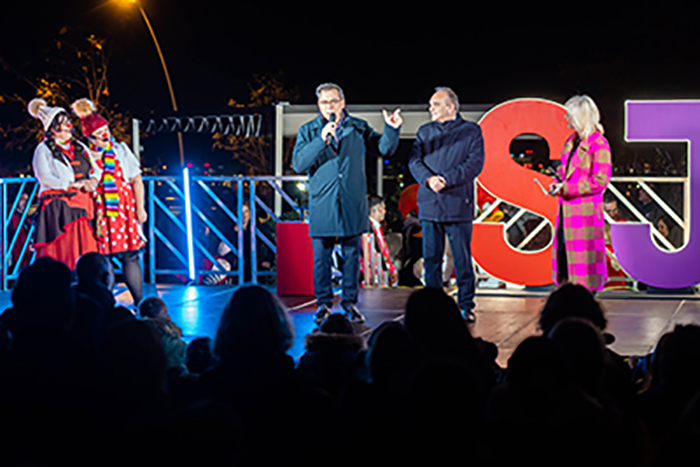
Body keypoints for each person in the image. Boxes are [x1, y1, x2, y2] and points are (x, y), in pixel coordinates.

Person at [292, 83, 402, 324]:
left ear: (343, 102)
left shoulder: (358, 127)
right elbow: (299, 163)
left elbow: (383, 149)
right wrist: (321, 140)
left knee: (352, 257)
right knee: (322, 258)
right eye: (324, 102)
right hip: (323, 203)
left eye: (333, 101)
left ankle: (350, 304)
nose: (329, 106)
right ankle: (323, 305)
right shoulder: (308, 130)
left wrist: (392, 129)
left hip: (352, 202)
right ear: (318, 105)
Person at [408, 87, 484, 322]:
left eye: (436, 104)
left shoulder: (471, 131)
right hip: (430, 202)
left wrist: (447, 179)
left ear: (451, 107)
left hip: (458, 203)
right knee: (431, 258)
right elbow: (414, 161)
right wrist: (430, 179)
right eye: (430, 104)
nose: (430, 108)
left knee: (461, 258)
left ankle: (466, 305)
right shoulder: (424, 131)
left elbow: (475, 164)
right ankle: (433, 305)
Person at [71, 98, 147, 305]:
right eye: (100, 134)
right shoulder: (84, 154)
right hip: (97, 211)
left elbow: (136, 180)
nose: (105, 136)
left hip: (123, 210)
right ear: (90, 137)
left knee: (130, 256)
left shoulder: (120, 150)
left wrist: (141, 208)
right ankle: (105, 305)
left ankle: (139, 302)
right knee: (102, 260)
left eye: (106, 130)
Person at [28, 98, 101, 269]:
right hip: (59, 204)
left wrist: (93, 180)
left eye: (68, 121)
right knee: (63, 249)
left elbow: (95, 169)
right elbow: (43, 176)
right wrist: (70, 184)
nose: (69, 125)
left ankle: (87, 280)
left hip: (84, 202)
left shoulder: (80, 147)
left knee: (87, 248)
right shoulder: (43, 149)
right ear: (53, 128)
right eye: (63, 123)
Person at [549, 95, 612, 292]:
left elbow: (600, 181)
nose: (566, 118)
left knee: (584, 267)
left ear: (579, 116)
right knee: (566, 261)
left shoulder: (599, 144)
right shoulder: (572, 142)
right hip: (567, 213)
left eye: (569, 115)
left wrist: (566, 189)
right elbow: (563, 172)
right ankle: (570, 304)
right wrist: (556, 183)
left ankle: (583, 307)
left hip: (584, 214)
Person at [363, 195, 399, 286]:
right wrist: (391, 269)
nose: (385, 212)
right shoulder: (372, 228)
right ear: (379, 208)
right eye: (384, 208)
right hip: (374, 275)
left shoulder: (370, 226)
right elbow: (382, 251)